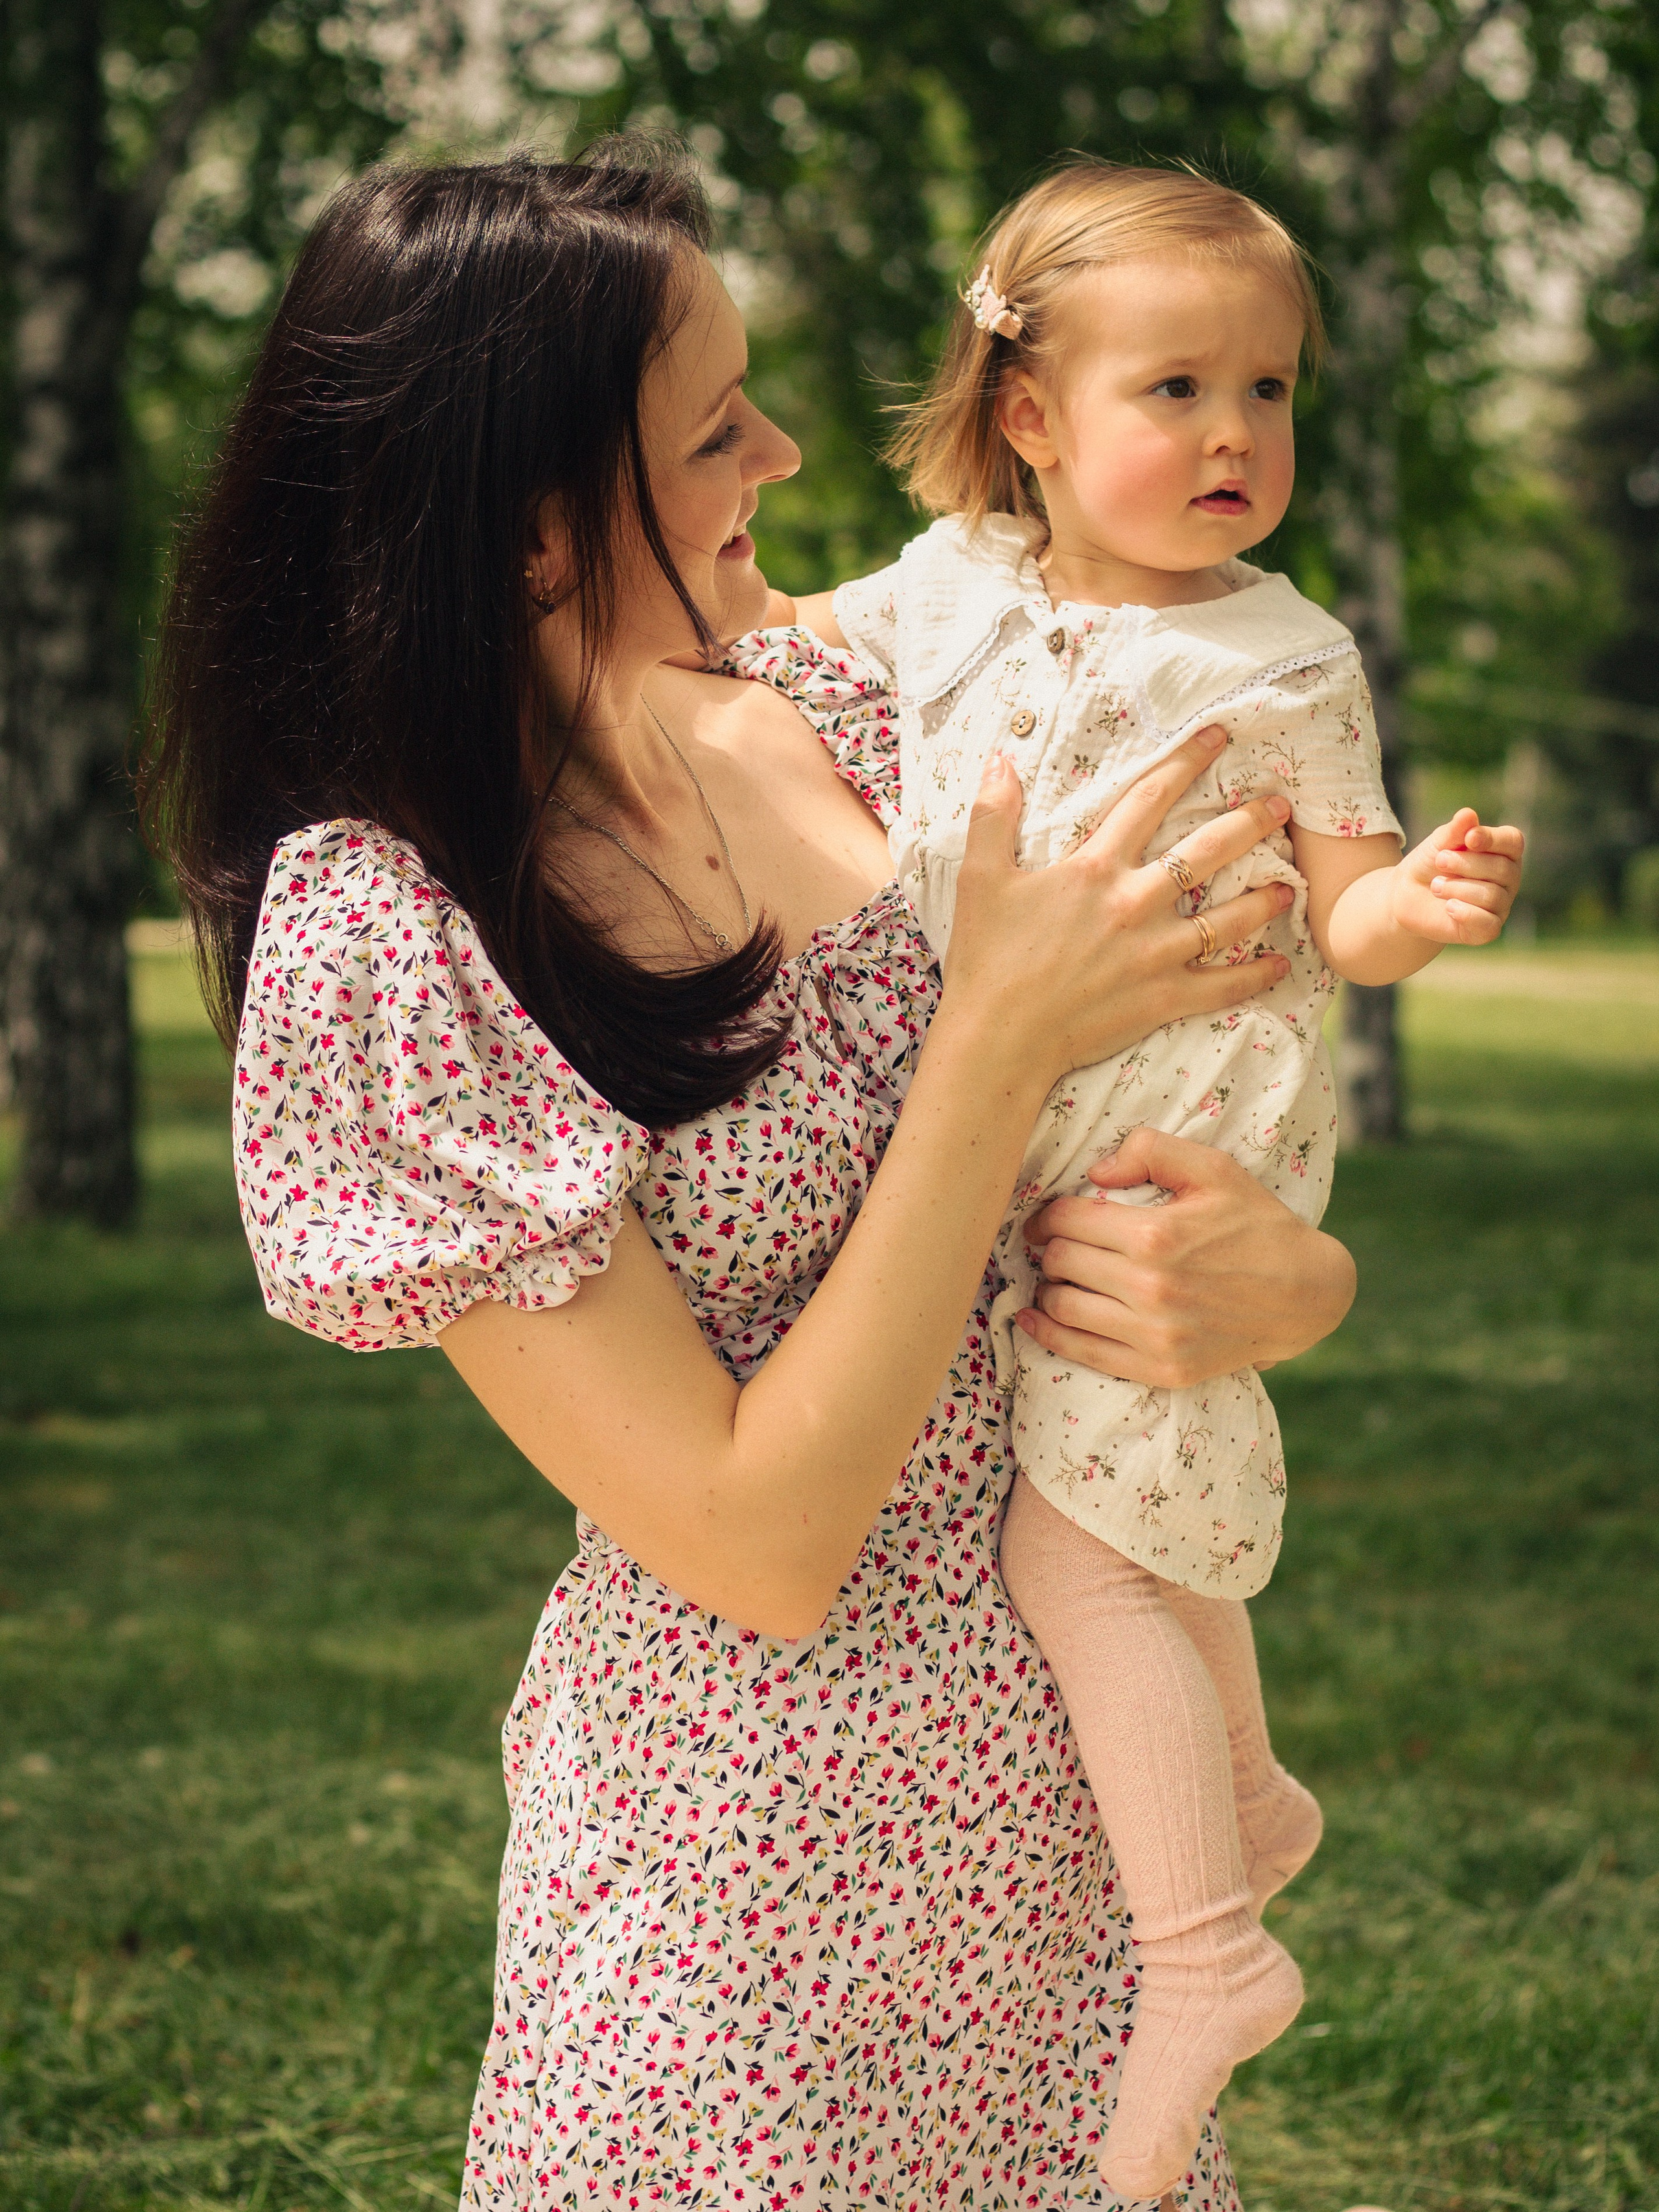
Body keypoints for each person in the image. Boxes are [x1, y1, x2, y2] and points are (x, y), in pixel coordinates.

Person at [140, 143, 1363, 2210]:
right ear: (533, 528)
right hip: (741, 1916)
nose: (787, 455)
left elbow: (1186, 1093)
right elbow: (753, 1539)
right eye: (716, 427)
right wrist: (991, 1050)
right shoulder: (397, 926)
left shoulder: (846, 704)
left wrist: (1291, 1287)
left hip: (1084, 1852)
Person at [761, 161, 1524, 2200]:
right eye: (1175, 389)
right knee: (1141, 1486)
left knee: (1079, 1542)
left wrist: (1421, 907)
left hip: (1163, 1150)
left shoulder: (1287, 657)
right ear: (1027, 413)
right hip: (1009, 1128)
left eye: (1267, 394)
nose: (1232, 439)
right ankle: (1246, 1794)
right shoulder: (941, 591)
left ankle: (1202, 1955)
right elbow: (748, 639)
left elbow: (1344, 920)